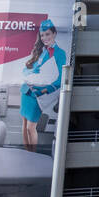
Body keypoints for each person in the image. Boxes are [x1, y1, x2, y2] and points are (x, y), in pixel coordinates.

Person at [20, 20, 66, 152]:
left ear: (54, 34)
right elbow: (25, 70)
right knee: (24, 125)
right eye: (42, 35)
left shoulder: (60, 53)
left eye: (47, 34)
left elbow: (60, 79)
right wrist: (30, 72)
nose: (45, 38)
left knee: (30, 127)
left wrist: (44, 90)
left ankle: (32, 154)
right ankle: (26, 153)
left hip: (39, 94)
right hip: (26, 90)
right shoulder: (38, 51)